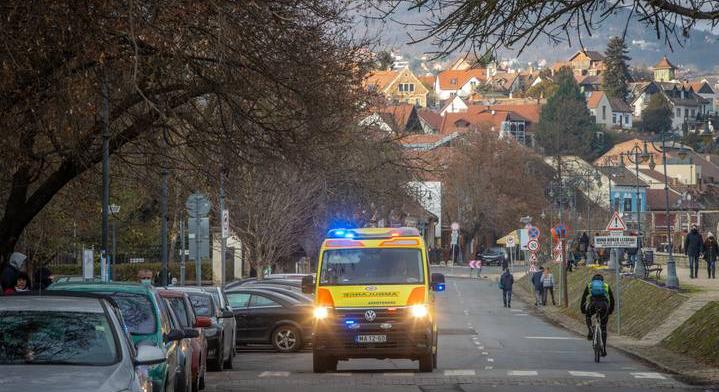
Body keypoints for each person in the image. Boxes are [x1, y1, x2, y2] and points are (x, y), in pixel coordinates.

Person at [580, 274, 615, 357]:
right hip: (604, 306)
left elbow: (584, 298)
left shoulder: (590, 285)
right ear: (602, 280)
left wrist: (583, 309)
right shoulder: (605, 285)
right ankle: (604, 350)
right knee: (603, 327)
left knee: (588, 316)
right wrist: (610, 310)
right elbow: (612, 299)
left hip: (593, 304)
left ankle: (590, 330)